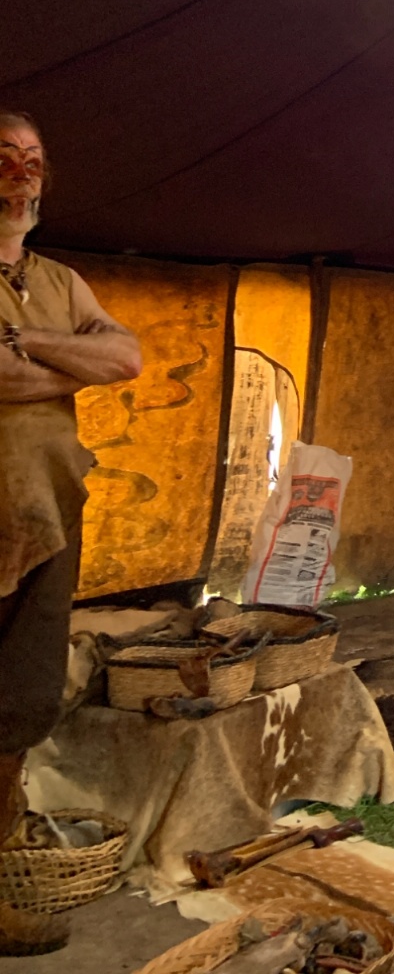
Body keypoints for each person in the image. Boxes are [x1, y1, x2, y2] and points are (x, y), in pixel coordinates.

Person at [0, 112, 142, 955]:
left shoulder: (57, 280)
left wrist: (27, 342)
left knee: (17, 707)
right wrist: (66, 366)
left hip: (46, 519)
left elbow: (126, 359)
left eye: (32, 159)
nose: (20, 173)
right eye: (3, 157)